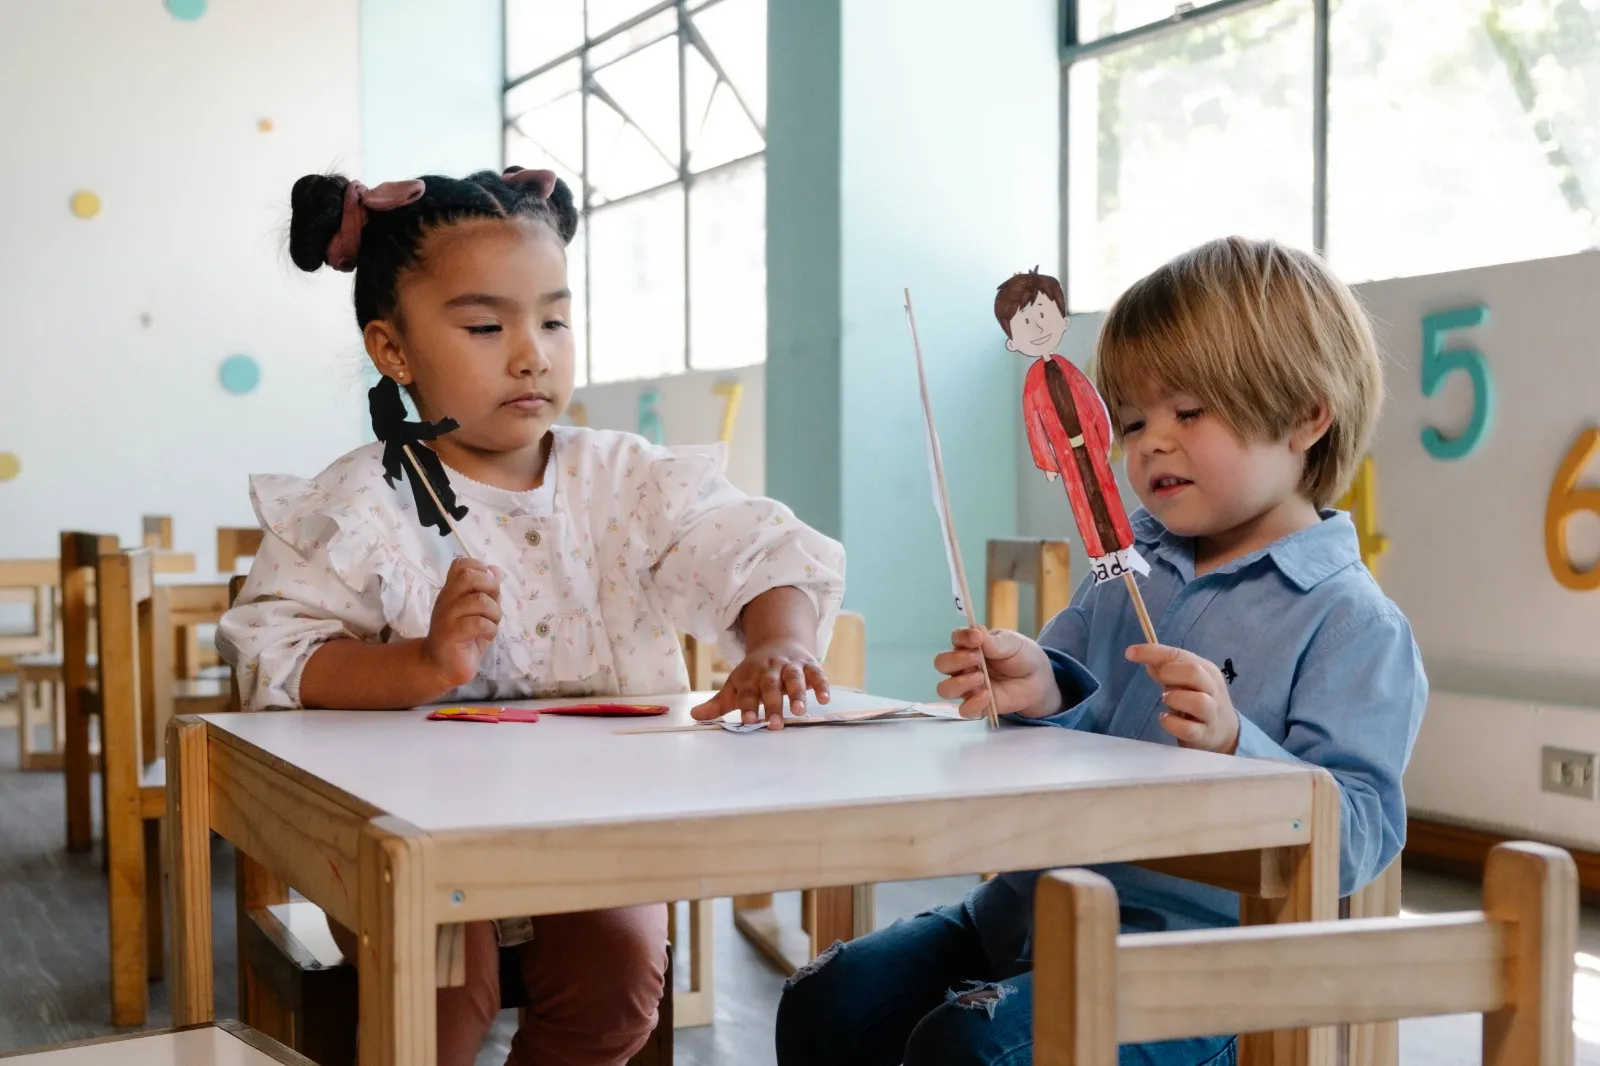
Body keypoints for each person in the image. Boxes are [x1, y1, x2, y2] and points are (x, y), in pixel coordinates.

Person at [218, 165, 846, 1066]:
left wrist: (779, 639)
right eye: (486, 325)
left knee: (620, 976)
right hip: (410, 834)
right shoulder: (363, 504)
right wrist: (421, 666)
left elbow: (753, 549)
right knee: (440, 992)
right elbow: (278, 655)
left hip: (594, 823)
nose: (531, 352)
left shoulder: (624, 480)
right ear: (393, 351)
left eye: (554, 318)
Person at [775, 236, 1427, 1066]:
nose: (1151, 442)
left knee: (965, 1054)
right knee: (827, 1002)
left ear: (1306, 415)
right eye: (1130, 422)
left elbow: (1362, 834)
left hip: (1196, 966)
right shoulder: (1120, 574)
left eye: (1188, 412)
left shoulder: (1350, 621)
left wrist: (1239, 748)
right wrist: (1036, 689)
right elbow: (1042, 739)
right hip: (1021, 914)